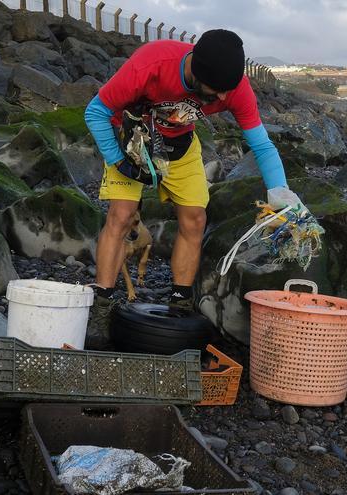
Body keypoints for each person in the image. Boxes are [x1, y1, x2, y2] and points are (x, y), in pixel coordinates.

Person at [83, 29, 308, 321]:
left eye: (228, 89)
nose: (224, 97)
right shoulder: (152, 63)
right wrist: (118, 161)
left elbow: (262, 146)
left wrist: (282, 195)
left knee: (195, 219)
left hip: (180, 144)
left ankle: (180, 303)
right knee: (121, 215)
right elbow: (95, 112)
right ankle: (101, 305)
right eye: (217, 90)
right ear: (197, 73)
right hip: (132, 142)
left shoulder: (234, 87)